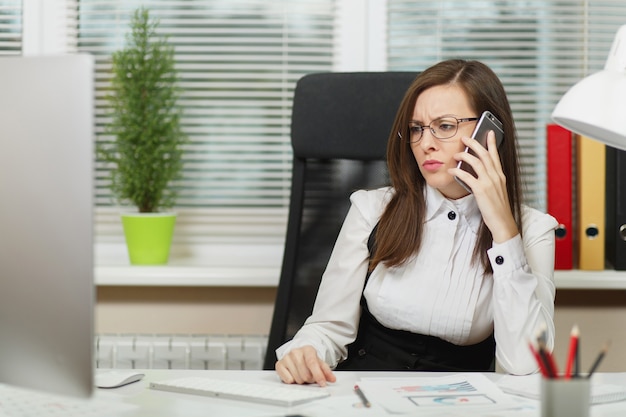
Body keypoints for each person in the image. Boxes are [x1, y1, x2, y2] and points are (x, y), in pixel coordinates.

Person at [274, 59, 558, 386]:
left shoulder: (533, 231)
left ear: (490, 134)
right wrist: (305, 352)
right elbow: (328, 328)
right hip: (364, 397)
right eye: (416, 128)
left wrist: (504, 233)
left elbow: (527, 366)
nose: (426, 143)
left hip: (459, 406)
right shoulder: (373, 209)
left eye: (446, 126)